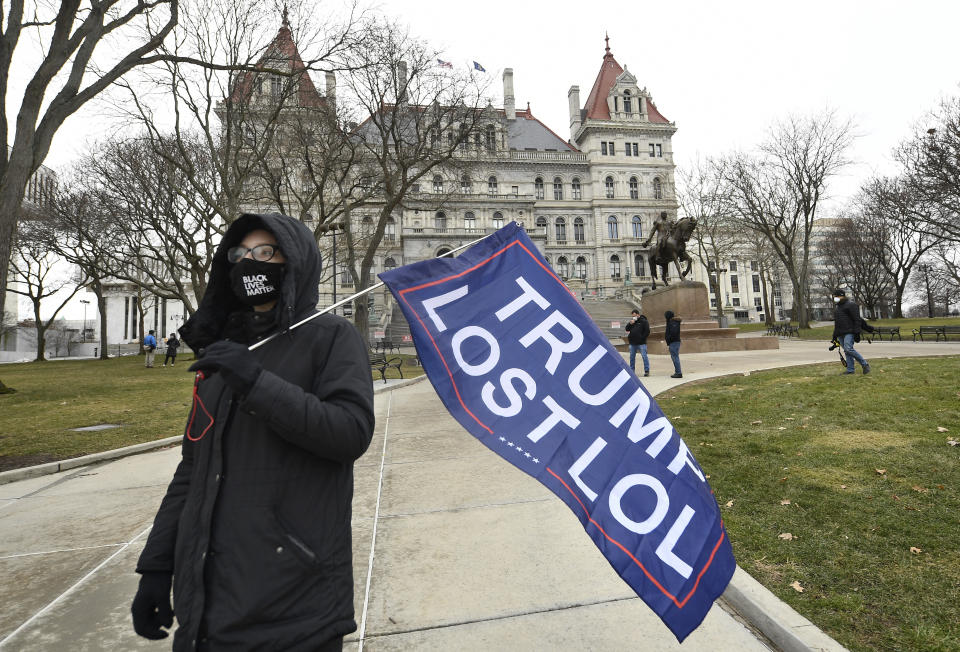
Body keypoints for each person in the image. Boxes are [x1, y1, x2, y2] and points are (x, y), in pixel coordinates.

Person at [131, 213, 375, 650]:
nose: (250, 264)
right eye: (239, 256)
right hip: (205, 607)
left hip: (294, 604)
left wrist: (256, 383)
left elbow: (349, 433)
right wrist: (157, 566)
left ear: (294, 260)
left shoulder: (333, 337)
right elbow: (192, 470)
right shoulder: (224, 351)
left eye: (266, 253)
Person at [831, 288, 870, 375]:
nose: (835, 298)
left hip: (850, 331)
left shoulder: (851, 305)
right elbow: (837, 323)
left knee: (848, 349)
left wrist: (857, 332)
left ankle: (865, 364)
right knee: (846, 351)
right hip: (840, 333)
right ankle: (850, 370)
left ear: (842, 296)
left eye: (837, 296)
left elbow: (857, 320)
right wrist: (834, 336)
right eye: (834, 296)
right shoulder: (837, 308)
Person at [624, 309, 650, 376]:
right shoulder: (632, 322)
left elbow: (647, 331)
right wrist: (630, 323)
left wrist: (642, 338)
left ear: (638, 315)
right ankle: (632, 370)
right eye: (633, 316)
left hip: (641, 343)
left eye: (635, 316)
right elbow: (627, 329)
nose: (634, 317)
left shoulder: (644, 321)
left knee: (644, 356)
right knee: (632, 357)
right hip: (632, 343)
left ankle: (647, 370)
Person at [664, 310, 682, 378]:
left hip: (674, 342)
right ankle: (677, 372)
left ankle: (678, 372)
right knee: (675, 357)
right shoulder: (672, 322)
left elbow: (673, 333)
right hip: (673, 342)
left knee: (675, 357)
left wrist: (668, 339)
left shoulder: (673, 322)